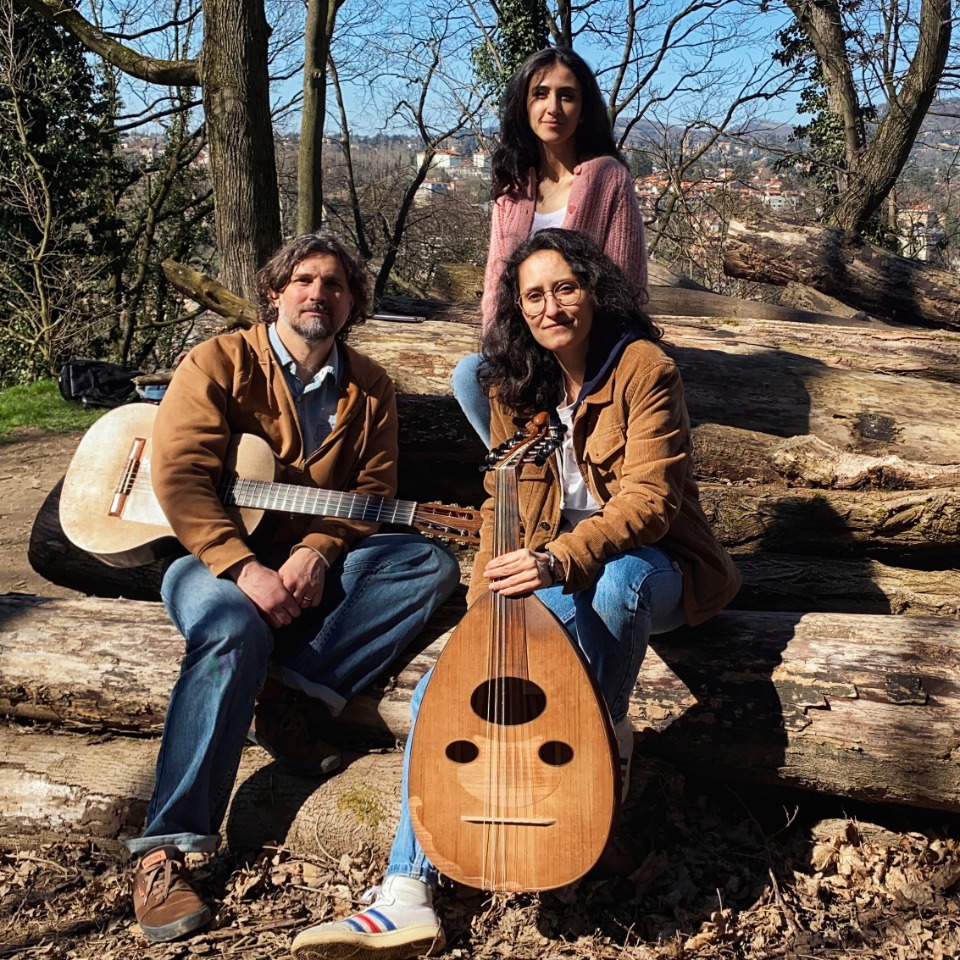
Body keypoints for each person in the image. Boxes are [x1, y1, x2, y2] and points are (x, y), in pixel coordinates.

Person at [288, 229, 740, 960]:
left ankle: (599, 748)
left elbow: (651, 502)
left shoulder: (643, 369)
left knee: (621, 580)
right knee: (447, 685)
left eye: (565, 287)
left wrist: (558, 561)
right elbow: (506, 513)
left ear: (594, 291)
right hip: (557, 569)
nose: (551, 305)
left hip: (654, 566)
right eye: (534, 294)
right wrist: (485, 625)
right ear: (517, 308)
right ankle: (404, 893)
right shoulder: (512, 386)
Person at [125, 233, 461, 944]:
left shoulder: (369, 387)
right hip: (209, 557)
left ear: (352, 304)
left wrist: (315, 550)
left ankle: (290, 694)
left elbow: (373, 490)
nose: (318, 294)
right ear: (275, 292)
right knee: (233, 628)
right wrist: (243, 567)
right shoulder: (219, 361)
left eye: (335, 284)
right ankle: (166, 849)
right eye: (303, 280)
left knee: (428, 564)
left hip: (311, 558)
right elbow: (181, 477)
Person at [452, 46, 648, 446]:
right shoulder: (512, 189)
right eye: (540, 93)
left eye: (567, 95)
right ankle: (531, 475)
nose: (553, 106)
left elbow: (626, 285)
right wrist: (505, 350)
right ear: (524, 104)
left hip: (591, 353)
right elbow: (496, 284)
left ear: (583, 108)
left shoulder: (608, 177)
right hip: (526, 350)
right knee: (469, 376)